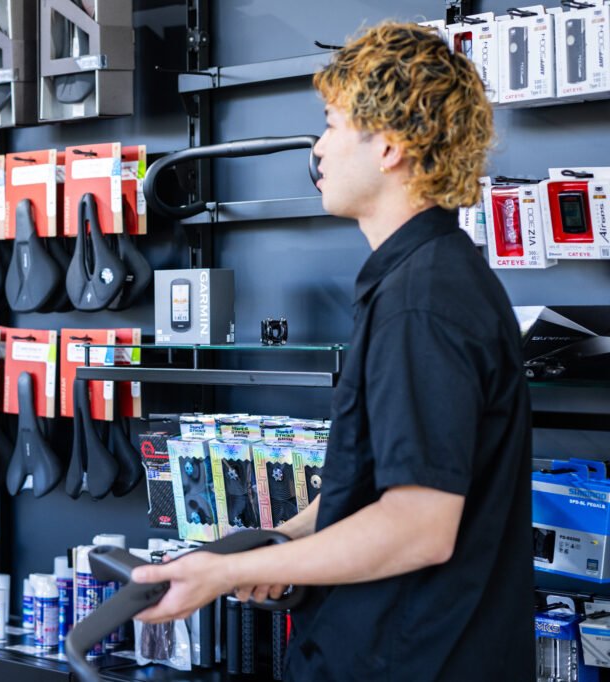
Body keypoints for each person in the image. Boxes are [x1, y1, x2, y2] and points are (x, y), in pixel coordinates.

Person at [132, 21, 533, 681]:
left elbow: (419, 525)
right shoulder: (418, 280)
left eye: (332, 125)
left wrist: (229, 573)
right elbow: (369, 487)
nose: (318, 148)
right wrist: (275, 545)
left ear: (390, 147)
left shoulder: (423, 303)